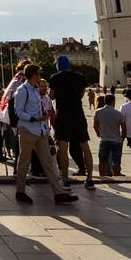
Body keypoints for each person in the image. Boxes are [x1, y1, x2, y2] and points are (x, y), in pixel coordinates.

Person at [13, 65, 75, 205]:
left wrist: (43, 117)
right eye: (39, 73)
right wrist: (34, 118)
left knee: (47, 161)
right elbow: (18, 111)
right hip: (28, 129)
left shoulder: (35, 89)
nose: (40, 75)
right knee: (24, 161)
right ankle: (20, 191)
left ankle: (58, 193)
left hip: (40, 130)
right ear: (33, 75)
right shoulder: (22, 90)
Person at [48, 56, 95, 190]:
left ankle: (65, 179)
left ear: (58, 66)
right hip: (78, 114)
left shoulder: (55, 77)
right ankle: (90, 178)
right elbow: (81, 94)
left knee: (63, 147)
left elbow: (52, 96)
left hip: (63, 114)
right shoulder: (80, 77)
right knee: (85, 145)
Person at [93, 94, 127, 176]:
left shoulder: (98, 112)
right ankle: (116, 176)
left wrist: (99, 134)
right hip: (116, 140)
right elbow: (124, 129)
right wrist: (122, 138)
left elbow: (95, 125)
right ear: (113, 102)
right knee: (117, 162)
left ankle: (102, 176)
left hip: (104, 139)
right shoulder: (119, 114)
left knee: (102, 161)